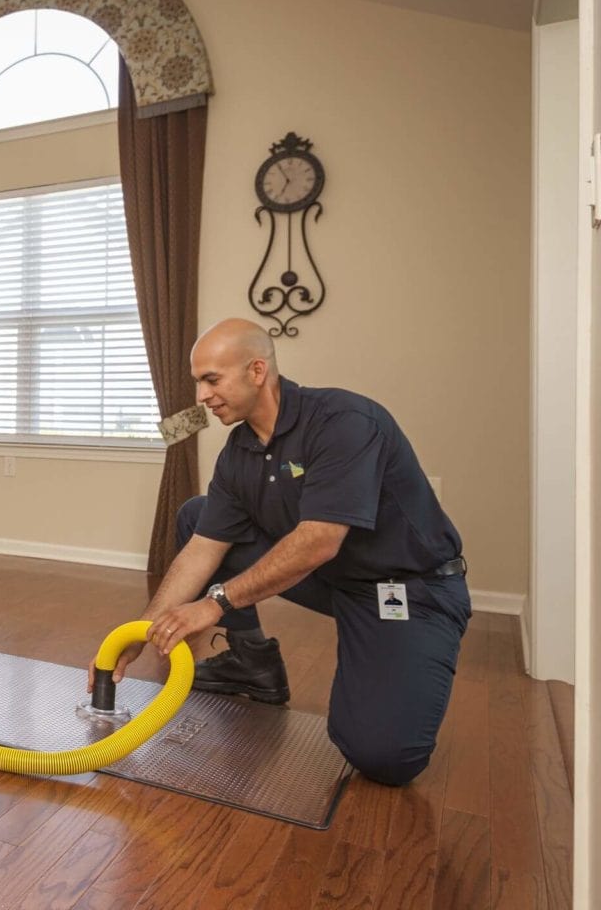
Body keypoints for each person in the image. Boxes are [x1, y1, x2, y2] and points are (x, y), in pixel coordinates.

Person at [108, 318, 470, 786]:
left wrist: (213, 604)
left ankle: (390, 658)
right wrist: (142, 629)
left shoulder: (345, 423)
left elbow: (319, 539)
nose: (201, 397)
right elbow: (202, 549)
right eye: (199, 382)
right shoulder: (238, 452)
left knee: (383, 756)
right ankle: (253, 663)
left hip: (404, 589)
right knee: (199, 517)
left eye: (211, 380)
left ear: (257, 371)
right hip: (330, 580)